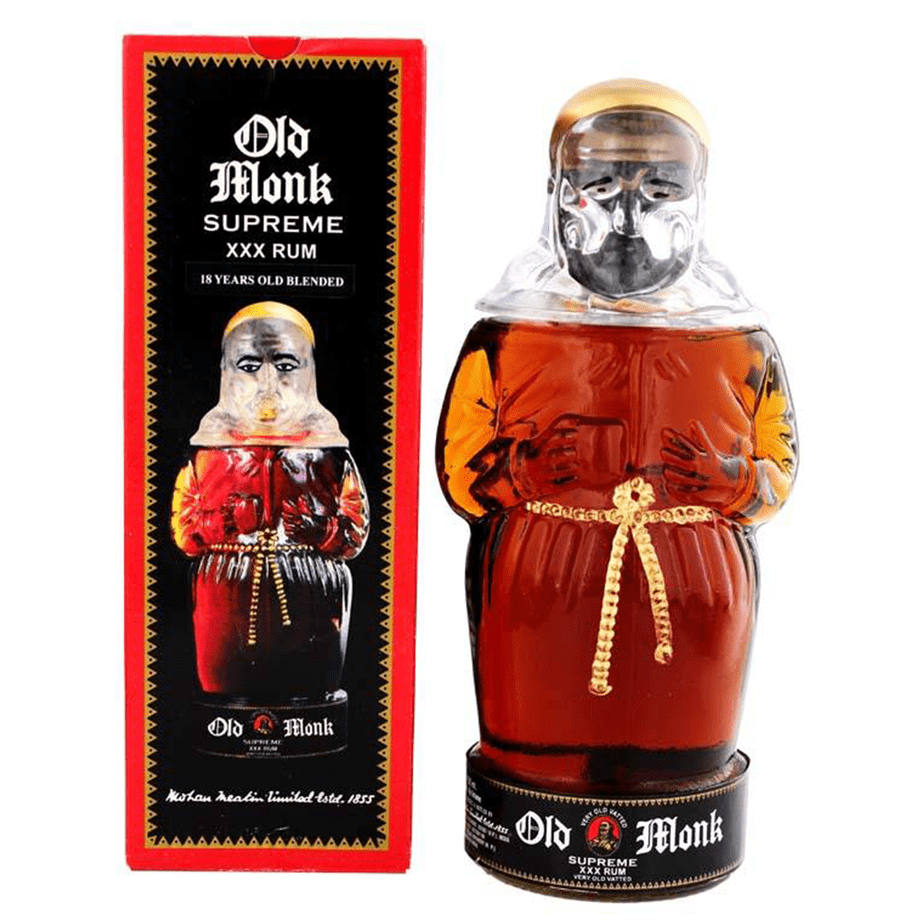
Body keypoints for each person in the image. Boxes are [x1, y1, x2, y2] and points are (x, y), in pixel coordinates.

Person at [438, 81, 797, 791]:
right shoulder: (507, 336)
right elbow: (461, 476)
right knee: (541, 731)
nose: (629, 220)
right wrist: (526, 468)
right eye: (600, 188)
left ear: (698, 199)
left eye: (660, 191)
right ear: (557, 196)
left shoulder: (738, 343)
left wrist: (731, 481)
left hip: (695, 595)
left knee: (680, 751)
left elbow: (778, 470)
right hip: (542, 590)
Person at [172, 301, 369, 702]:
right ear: (226, 373)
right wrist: (224, 522)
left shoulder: (329, 454)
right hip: (226, 591)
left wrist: (320, 529)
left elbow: (356, 531)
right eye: (249, 366)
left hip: (311, 594)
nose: (267, 382)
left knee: (309, 687)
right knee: (229, 689)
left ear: (308, 372)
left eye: (285, 365)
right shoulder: (209, 453)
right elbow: (184, 530)